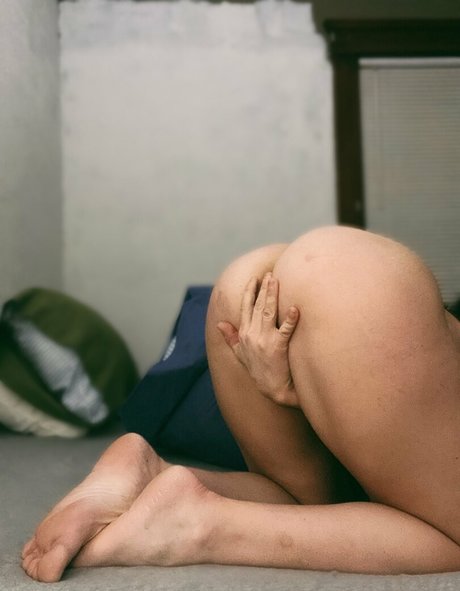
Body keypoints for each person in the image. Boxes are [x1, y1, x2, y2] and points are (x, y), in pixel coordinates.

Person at [21, 225, 460, 582]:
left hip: (253, 287)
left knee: (303, 502)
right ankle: (202, 525)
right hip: (356, 292)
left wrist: (306, 385)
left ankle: (153, 472)